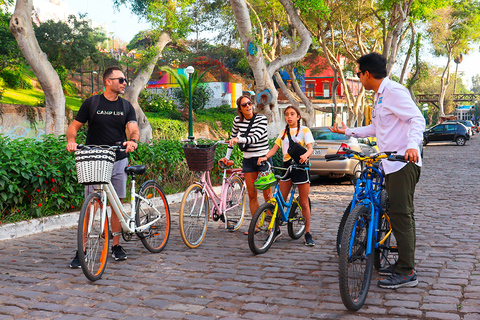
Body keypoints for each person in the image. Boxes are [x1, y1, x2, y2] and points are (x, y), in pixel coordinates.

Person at [329, 52, 425, 289]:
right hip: (389, 164)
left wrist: (412, 145)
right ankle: (402, 262)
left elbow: (417, 119)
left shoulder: (394, 91)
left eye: (359, 74)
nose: (359, 78)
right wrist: (348, 131)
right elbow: (377, 128)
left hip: (403, 163)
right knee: (394, 213)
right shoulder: (380, 96)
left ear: (367, 74)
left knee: (402, 215)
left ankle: (407, 271)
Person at [66, 66, 140, 268]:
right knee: (90, 206)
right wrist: (71, 141)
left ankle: (116, 245)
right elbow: (74, 127)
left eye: (125, 80)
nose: (124, 83)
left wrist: (132, 140)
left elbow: (133, 128)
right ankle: (81, 250)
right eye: (121, 80)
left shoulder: (126, 106)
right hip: (95, 159)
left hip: (118, 159)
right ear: (108, 81)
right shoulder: (92, 103)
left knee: (116, 204)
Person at [257, 105, 315, 246]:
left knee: (304, 202)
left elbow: (310, 148)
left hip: (300, 167)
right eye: (287, 114)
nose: (289, 117)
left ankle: (307, 232)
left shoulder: (304, 130)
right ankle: (276, 230)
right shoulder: (283, 132)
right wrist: (265, 157)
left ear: (298, 116)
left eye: (292, 114)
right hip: (286, 167)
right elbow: (274, 149)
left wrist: (305, 155)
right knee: (279, 200)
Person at [224, 95, 272, 234]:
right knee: (251, 194)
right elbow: (231, 140)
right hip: (249, 160)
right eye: (244, 105)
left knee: (267, 194)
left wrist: (238, 139)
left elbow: (254, 138)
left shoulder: (261, 119)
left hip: (263, 159)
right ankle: (256, 225)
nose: (248, 106)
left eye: (249, 103)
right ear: (240, 108)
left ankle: (270, 226)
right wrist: (227, 157)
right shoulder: (237, 121)